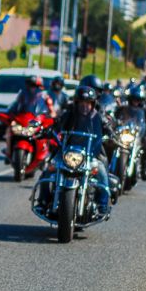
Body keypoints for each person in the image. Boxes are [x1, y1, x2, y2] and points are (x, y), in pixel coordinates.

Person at [37, 86, 115, 215]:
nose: (85, 106)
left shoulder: (98, 117)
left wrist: (111, 134)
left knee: (102, 172)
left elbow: (107, 128)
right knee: (48, 172)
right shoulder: (69, 115)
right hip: (67, 153)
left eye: (88, 103)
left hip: (90, 154)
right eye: (82, 103)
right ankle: (43, 201)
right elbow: (57, 125)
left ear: (93, 104)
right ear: (76, 103)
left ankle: (102, 204)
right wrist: (47, 131)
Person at [3, 76, 54, 163]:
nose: (31, 88)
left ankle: (44, 153)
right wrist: (10, 113)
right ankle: (8, 151)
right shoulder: (23, 95)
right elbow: (15, 106)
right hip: (23, 119)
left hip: (36, 120)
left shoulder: (44, 97)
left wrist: (51, 116)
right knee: (10, 129)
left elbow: (51, 110)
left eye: (34, 86)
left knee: (46, 133)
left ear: (39, 87)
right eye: (30, 85)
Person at [116, 85, 146, 180]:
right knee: (112, 144)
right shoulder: (123, 109)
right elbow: (116, 117)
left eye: (138, 100)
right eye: (134, 99)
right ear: (130, 99)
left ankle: (145, 169)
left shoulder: (145, 111)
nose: (135, 102)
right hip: (126, 133)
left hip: (139, 135)